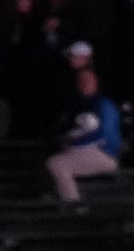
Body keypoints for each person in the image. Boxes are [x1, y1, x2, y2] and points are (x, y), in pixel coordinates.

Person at [48, 68, 123, 203]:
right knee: (55, 156)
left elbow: (105, 135)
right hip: (84, 151)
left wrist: (74, 142)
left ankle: (74, 205)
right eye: (80, 82)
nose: (83, 84)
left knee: (57, 163)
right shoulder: (81, 106)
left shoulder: (104, 104)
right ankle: (56, 196)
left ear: (95, 82)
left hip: (104, 153)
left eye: (87, 81)